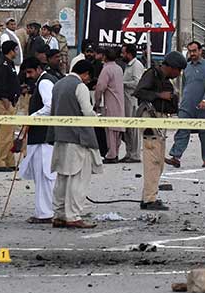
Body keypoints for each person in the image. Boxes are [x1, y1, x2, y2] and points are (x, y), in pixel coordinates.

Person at [50, 59, 101, 229]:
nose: (88, 80)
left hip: (60, 137)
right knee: (77, 179)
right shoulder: (80, 87)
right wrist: (98, 118)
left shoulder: (57, 85)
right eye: (88, 77)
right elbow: (87, 112)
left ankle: (58, 215)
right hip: (77, 139)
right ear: (85, 73)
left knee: (62, 178)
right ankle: (73, 216)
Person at [134, 51, 185, 211]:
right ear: (171, 67)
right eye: (178, 70)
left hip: (160, 121)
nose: (179, 74)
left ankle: (148, 196)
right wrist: (159, 95)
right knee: (153, 160)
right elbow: (139, 92)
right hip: (150, 119)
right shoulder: (152, 74)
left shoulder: (165, 79)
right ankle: (150, 200)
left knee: (158, 162)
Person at [16, 57, 57, 224]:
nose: (29, 76)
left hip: (43, 138)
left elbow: (49, 106)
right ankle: (45, 211)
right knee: (43, 176)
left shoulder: (44, 83)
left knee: (45, 176)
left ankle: (45, 213)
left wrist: (32, 118)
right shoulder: (45, 80)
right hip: (42, 137)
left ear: (38, 69)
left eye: (30, 72)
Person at [167, 41, 205, 168]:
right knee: (183, 129)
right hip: (186, 105)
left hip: (203, 106)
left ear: (200, 51)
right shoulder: (187, 67)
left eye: (194, 51)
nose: (192, 54)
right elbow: (184, 86)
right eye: (190, 51)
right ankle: (176, 156)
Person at [0, 40, 22, 172]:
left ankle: (9, 161)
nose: (16, 52)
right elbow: (1, 87)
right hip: (4, 104)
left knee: (10, 135)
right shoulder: (3, 65)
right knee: (4, 135)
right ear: (10, 51)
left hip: (11, 102)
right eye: (15, 49)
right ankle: (0, 162)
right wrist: (7, 104)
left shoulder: (9, 64)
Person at [94, 47, 126, 163]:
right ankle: (115, 152)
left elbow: (100, 87)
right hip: (120, 102)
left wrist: (96, 102)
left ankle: (111, 155)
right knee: (117, 130)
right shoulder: (118, 68)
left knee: (110, 130)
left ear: (105, 57)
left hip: (110, 102)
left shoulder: (106, 69)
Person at [120, 43, 144, 163]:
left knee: (133, 129)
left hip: (132, 100)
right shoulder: (128, 65)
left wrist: (123, 83)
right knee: (128, 128)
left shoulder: (136, 65)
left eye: (123, 53)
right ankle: (129, 153)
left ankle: (135, 155)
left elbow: (137, 83)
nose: (122, 55)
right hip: (126, 100)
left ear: (129, 54)